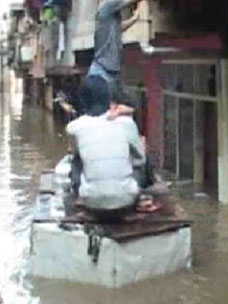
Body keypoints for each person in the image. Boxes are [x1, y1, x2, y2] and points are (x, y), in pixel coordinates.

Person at [66, 75, 145, 217]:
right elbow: (141, 160)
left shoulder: (73, 127)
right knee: (140, 156)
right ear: (108, 98)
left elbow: (75, 155)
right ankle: (136, 195)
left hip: (91, 202)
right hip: (127, 200)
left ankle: (82, 196)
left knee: (76, 159)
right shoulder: (127, 123)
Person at [87, 0, 145, 100]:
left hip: (108, 72)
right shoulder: (108, 5)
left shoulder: (108, 16)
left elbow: (118, 28)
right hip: (103, 72)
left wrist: (134, 19)